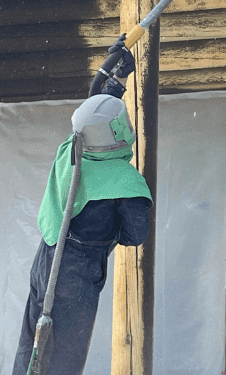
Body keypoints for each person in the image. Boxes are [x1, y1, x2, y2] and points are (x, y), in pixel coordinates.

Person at [12, 93, 153, 375]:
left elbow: (90, 117)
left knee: (32, 350)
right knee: (64, 359)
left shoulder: (70, 152)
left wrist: (111, 82)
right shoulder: (125, 181)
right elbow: (135, 235)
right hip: (76, 275)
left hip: (46, 260)